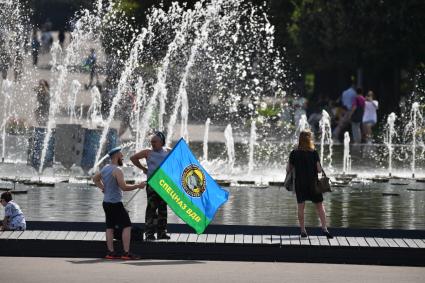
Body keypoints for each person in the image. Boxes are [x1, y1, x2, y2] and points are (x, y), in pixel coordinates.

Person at [93, 146, 146, 260]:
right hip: (115, 203)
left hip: (106, 203)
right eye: (121, 154)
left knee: (110, 227)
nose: (122, 156)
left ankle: (110, 252)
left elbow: (95, 179)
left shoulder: (106, 168)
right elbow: (124, 187)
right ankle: (126, 253)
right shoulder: (117, 170)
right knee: (127, 226)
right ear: (116, 155)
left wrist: (104, 189)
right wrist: (138, 185)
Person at [286, 131, 333, 239]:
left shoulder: (294, 153)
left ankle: (303, 230)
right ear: (309, 140)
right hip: (313, 184)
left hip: (300, 184)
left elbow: (288, 169)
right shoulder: (314, 153)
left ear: (299, 139)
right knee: (320, 206)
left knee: (301, 207)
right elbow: (319, 170)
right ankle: (324, 228)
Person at [130, 132, 171, 241]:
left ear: (161, 142)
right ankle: (149, 234)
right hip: (152, 184)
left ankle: (162, 233)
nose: (152, 143)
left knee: (163, 209)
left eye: (154, 142)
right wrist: (143, 168)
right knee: (151, 209)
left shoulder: (168, 151)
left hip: (164, 185)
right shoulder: (148, 152)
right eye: (151, 142)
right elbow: (133, 158)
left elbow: (179, 159)